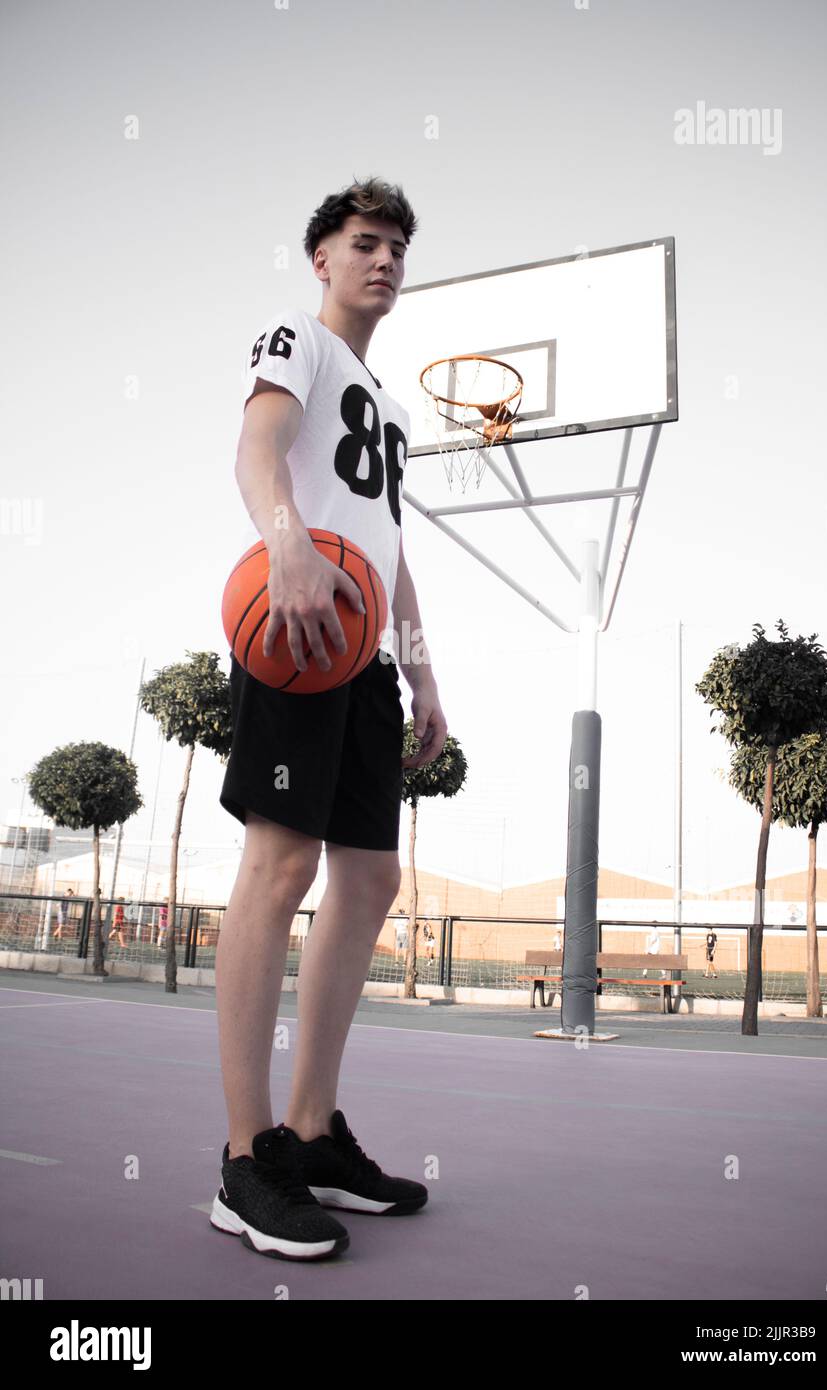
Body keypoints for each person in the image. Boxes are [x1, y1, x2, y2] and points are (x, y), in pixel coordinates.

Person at [212, 178, 447, 1263]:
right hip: (296, 629)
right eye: (365, 242)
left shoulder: (391, 409)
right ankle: (243, 1156)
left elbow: (393, 551)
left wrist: (424, 674)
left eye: (398, 246)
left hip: (365, 659)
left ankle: (310, 1132)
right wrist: (284, 543)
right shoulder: (295, 339)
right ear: (320, 257)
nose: (384, 260)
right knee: (281, 863)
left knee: (368, 876)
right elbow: (258, 451)